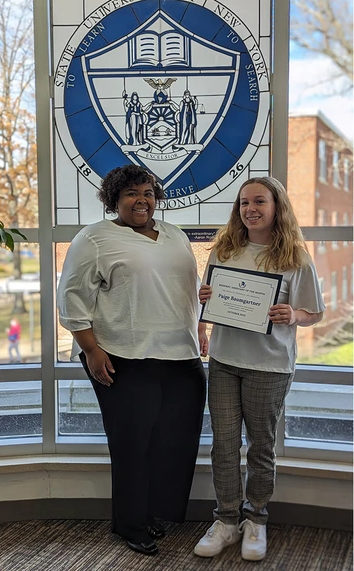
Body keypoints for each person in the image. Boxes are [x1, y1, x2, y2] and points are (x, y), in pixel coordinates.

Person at [57, 164, 207, 557]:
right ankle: (131, 524)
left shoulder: (174, 235)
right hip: (124, 357)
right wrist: (90, 348)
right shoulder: (95, 238)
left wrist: (201, 328)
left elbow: (186, 290)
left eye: (148, 193)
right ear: (113, 200)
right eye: (131, 194)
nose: (142, 201)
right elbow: (71, 297)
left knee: (173, 442)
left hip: (181, 354)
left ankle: (153, 513)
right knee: (132, 445)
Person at [194, 177, 325, 561]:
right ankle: (227, 521)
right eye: (243, 202)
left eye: (259, 202)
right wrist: (204, 305)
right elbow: (208, 299)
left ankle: (256, 520)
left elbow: (314, 313)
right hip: (223, 361)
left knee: (261, 448)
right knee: (223, 446)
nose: (250, 209)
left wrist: (293, 314)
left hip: (269, 366)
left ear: (276, 206)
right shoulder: (225, 249)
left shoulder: (295, 258)